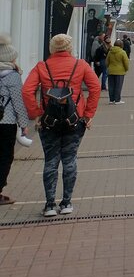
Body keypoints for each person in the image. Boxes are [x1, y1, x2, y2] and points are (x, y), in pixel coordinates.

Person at [22, 33, 100, 216]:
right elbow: (95, 87)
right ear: (70, 48)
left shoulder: (42, 66)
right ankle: (66, 203)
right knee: (70, 160)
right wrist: (88, 114)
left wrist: (36, 114)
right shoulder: (80, 65)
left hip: (49, 122)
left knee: (50, 161)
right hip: (74, 120)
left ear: (52, 48)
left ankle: (49, 205)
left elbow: (27, 90)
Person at [0, 34, 30, 206]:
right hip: (6, 122)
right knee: (4, 156)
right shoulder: (12, 76)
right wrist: (24, 124)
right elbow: (18, 102)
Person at [105, 38, 130, 104]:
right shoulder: (122, 52)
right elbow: (126, 62)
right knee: (118, 86)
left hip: (111, 71)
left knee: (111, 86)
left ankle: (111, 99)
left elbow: (107, 62)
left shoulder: (110, 52)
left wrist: (108, 67)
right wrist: (126, 69)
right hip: (120, 72)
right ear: (121, 45)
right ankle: (117, 100)